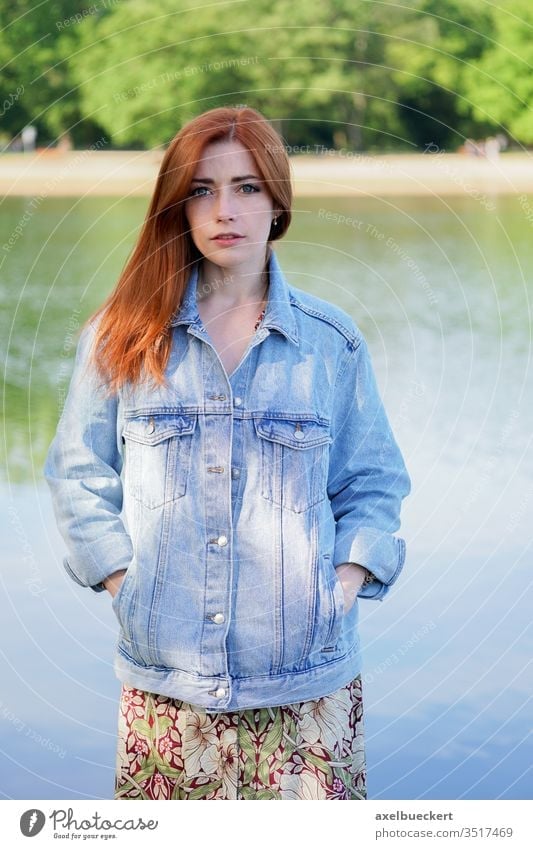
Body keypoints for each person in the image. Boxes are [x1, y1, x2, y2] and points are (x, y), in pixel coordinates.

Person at [44, 106, 411, 801]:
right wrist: (126, 586)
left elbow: (372, 482)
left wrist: (340, 588)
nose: (224, 209)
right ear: (177, 207)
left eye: (245, 186)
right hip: (166, 690)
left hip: (308, 687)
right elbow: (76, 475)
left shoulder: (331, 343)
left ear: (277, 201)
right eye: (201, 190)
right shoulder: (121, 334)